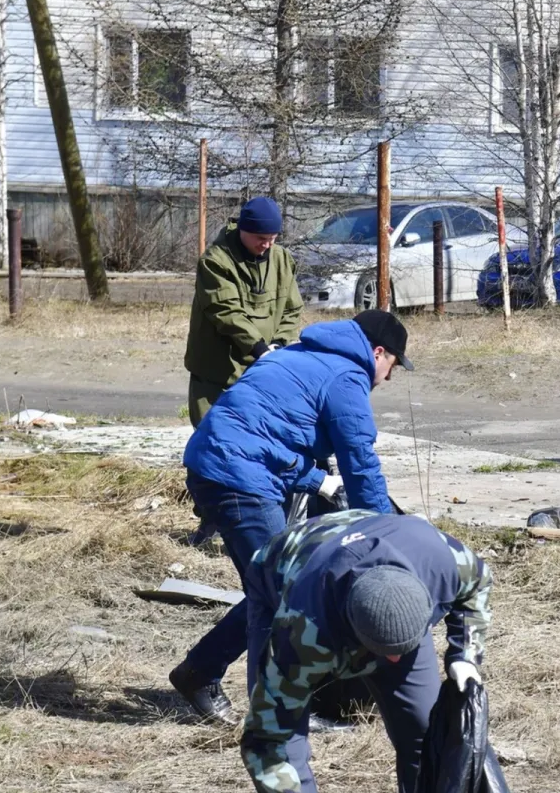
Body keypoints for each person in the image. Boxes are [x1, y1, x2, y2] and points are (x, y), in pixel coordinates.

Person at [239, 511, 493, 793]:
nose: (393, 664)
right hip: (285, 569)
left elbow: (478, 583)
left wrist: (464, 652)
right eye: (381, 654)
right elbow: (269, 742)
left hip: (385, 557)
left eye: (403, 651)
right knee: (289, 756)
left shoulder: (440, 562)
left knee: (427, 737)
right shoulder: (302, 630)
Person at [167, 308, 413, 725]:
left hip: (218, 465)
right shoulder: (347, 377)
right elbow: (360, 463)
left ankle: (201, 673)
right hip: (239, 479)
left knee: (274, 588)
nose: (388, 377)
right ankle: (273, 711)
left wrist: (317, 479)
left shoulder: (299, 354)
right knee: (287, 592)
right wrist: (381, 530)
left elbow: (265, 433)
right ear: (378, 352)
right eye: (392, 365)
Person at [185, 196, 305, 427]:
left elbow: (292, 308)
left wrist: (279, 343)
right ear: (243, 229)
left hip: (262, 369)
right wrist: (258, 347)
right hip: (217, 371)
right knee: (212, 439)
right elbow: (227, 312)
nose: (267, 245)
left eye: (273, 238)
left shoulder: (282, 259)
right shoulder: (216, 261)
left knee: (256, 439)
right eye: (261, 238)